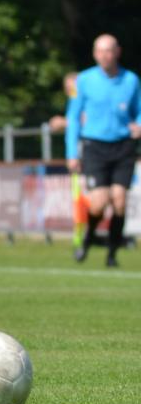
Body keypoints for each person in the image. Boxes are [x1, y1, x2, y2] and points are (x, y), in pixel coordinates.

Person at [64, 34, 141, 267]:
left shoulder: (131, 80)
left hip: (123, 146)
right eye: (99, 51)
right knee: (99, 203)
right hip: (95, 146)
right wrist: (71, 153)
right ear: (94, 54)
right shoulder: (84, 81)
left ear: (117, 52)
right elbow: (73, 117)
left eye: (108, 51)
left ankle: (112, 254)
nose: (104, 56)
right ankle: (87, 239)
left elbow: (139, 110)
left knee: (119, 201)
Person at [48, 72, 94, 250]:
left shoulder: (87, 99)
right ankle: (79, 235)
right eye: (67, 87)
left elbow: (87, 120)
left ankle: (90, 233)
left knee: (93, 196)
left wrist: (64, 122)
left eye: (72, 86)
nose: (70, 90)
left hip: (92, 153)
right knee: (78, 198)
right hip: (77, 156)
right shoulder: (73, 102)